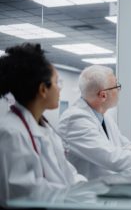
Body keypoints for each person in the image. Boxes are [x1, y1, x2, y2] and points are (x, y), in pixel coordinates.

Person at [0, 43, 86, 204]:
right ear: (43, 90)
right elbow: (24, 193)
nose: (60, 89)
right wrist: (74, 195)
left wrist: (90, 189)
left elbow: (67, 174)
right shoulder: (11, 132)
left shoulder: (44, 128)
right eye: (57, 82)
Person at [57, 65, 131, 179]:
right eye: (116, 86)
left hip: (103, 190)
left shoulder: (103, 116)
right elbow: (113, 158)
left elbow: (129, 149)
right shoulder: (75, 119)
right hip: (84, 194)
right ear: (103, 95)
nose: (119, 90)